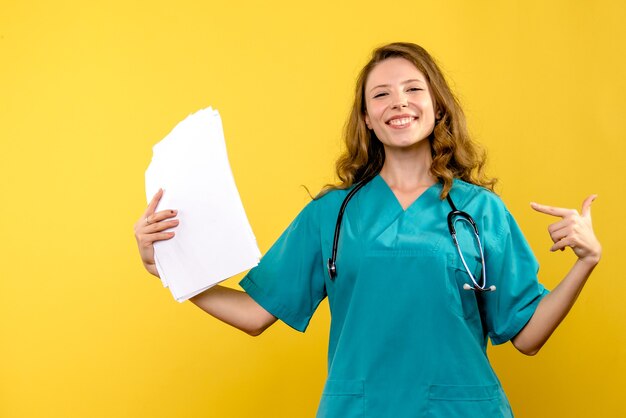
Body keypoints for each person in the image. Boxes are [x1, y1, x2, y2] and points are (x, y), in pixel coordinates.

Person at [134, 42, 601, 417]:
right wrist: (173, 271)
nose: (398, 102)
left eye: (413, 90)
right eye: (380, 95)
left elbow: (528, 336)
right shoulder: (330, 214)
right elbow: (256, 315)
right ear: (367, 120)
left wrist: (586, 262)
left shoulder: (482, 212)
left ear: (437, 107)